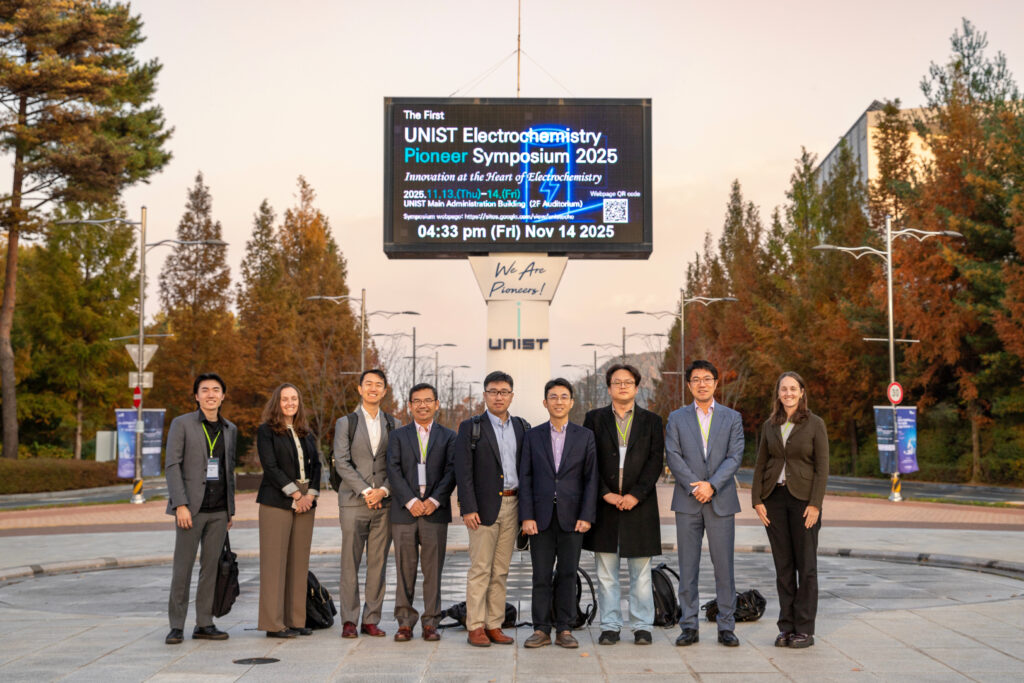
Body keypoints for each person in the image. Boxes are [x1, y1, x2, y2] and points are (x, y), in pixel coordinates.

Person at [583, 364, 664, 646]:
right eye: (616, 382)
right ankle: (610, 625)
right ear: (609, 388)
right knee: (607, 573)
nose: (622, 386)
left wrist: (635, 495)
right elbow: (588, 460)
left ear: (636, 387)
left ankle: (642, 626)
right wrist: (605, 493)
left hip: (639, 506)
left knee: (641, 573)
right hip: (605, 505)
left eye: (628, 382)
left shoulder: (652, 421)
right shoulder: (593, 419)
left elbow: (655, 462)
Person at [665, 360, 744, 647]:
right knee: (688, 567)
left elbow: (735, 456)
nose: (702, 383)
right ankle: (688, 626)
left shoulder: (732, 417)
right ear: (689, 385)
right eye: (696, 379)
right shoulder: (676, 417)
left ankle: (726, 626)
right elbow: (673, 455)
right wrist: (695, 486)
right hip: (688, 502)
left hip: (721, 500)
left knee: (724, 568)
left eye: (707, 378)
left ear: (715, 383)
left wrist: (712, 485)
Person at [751, 371, 829, 649]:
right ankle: (786, 627)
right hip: (774, 500)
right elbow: (761, 463)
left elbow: (822, 468)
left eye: (793, 388)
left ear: (802, 392)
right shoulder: (770, 425)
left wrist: (815, 504)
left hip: (803, 501)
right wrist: (757, 499)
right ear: (778, 393)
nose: (788, 393)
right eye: (783, 389)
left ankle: (804, 629)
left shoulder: (815, 424)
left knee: (806, 567)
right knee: (783, 568)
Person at [520, 378, 598, 649]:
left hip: (572, 517)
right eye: (553, 397)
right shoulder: (532, 436)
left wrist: (586, 515)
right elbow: (525, 477)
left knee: (567, 573)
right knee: (540, 575)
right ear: (545, 402)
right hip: (539, 519)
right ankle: (541, 628)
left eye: (564, 397)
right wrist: (526, 516)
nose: (559, 401)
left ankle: (564, 628)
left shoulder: (585, 436)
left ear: (572, 402)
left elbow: (591, 479)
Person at [454, 370, 529, 647]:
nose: (499, 396)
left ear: (511, 395)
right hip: (483, 508)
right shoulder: (470, 427)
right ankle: (475, 626)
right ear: (484, 395)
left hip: (514, 504)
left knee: (501, 570)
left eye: (504, 391)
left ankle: (494, 623)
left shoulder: (522, 427)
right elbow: (463, 472)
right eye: (493, 391)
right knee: (481, 568)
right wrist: (468, 508)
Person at [164, 372, 237, 644]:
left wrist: (230, 510)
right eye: (204, 390)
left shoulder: (230, 429)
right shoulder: (181, 424)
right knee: (182, 569)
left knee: (211, 569)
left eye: (216, 389)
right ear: (196, 396)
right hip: (190, 510)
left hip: (219, 512)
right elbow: (172, 466)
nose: (210, 394)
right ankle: (176, 626)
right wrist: (180, 504)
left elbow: (230, 471)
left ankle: (204, 623)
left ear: (223, 396)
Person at [386, 382, 457, 642]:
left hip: (434, 512)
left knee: (432, 570)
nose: (423, 405)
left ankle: (431, 622)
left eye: (428, 400)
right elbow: (392, 470)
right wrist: (410, 500)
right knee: (404, 570)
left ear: (437, 404)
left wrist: (435, 500)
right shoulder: (398, 436)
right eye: (417, 401)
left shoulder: (450, 436)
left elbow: (452, 471)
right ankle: (405, 622)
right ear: (410, 406)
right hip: (405, 512)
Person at [334, 369, 399, 639]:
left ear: (385, 391)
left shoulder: (393, 423)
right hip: (353, 502)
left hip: (384, 504)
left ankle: (371, 619)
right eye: (368, 384)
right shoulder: (346, 423)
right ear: (360, 389)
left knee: (378, 564)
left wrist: (383, 491)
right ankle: (349, 620)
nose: (373, 388)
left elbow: (397, 464)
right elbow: (342, 462)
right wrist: (365, 491)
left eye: (379, 385)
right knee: (350, 563)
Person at [255, 383, 322, 638]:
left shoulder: (306, 432)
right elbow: (270, 466)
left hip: (306, 501)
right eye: (285, 399)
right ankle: (273, 623)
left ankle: (295, 620)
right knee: (274, 564)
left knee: (298, 562)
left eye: (294, 398)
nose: (290, 403)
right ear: (277, 402)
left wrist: (310, 495)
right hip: (277, 500)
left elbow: (317, 465)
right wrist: (295, 494)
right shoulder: (267, 431)